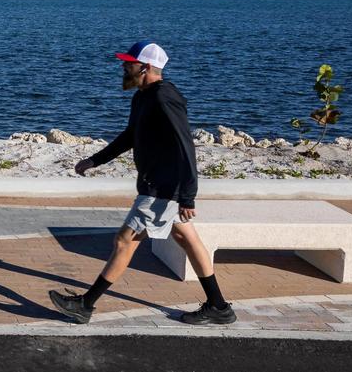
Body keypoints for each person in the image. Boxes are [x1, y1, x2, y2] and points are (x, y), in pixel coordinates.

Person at [49, 40, 235, 326]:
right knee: (187, 238)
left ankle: (85, 305)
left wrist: (187, 195)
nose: (124, 66)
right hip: (159, 185)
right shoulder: (142, 97)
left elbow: (186, 146)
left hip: (162, 187)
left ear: (145, 67)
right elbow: (129, 136)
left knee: (125, 241)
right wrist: (96, 160)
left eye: (128, 63)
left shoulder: (164, 97)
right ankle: (219, 306)